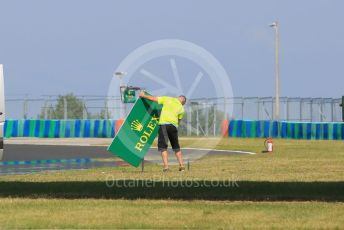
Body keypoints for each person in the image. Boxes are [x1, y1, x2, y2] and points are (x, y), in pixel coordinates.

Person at [139, 91, 186, 172]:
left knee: (163, 147)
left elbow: (153, 98)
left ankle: (166, 167)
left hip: (164, 125)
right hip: (173, 127)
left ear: (178, 98)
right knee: (176, 147)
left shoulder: (167, 99)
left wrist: (143, 96)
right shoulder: (182, 109)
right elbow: (179, 121)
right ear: (183, 103)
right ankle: (181, 166)